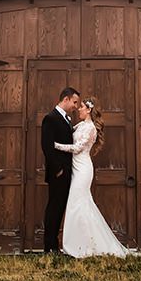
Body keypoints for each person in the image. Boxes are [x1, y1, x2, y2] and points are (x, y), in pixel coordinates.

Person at [51, 98, 136, 258]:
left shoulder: (90, 128)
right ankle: (82, 243)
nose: (79, 110)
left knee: (77, 204)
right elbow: (68, 133)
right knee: (79, 205)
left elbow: (77, 148)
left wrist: (54, 145)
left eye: (81, 107)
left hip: (83, 169)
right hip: (76, 168)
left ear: (89, 110)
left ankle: (83, 246)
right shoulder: (80, 125)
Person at [40, 87, 81, 253]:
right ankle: (49, 246)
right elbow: (47, 147)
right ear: (65, 99)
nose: (76, 106)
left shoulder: (67, 119)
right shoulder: (50, 118)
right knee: (54, 209)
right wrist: (58, 169)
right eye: (74, 102)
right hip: (58, 173)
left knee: (60, 208)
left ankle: (54, 246)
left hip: (67, 172)